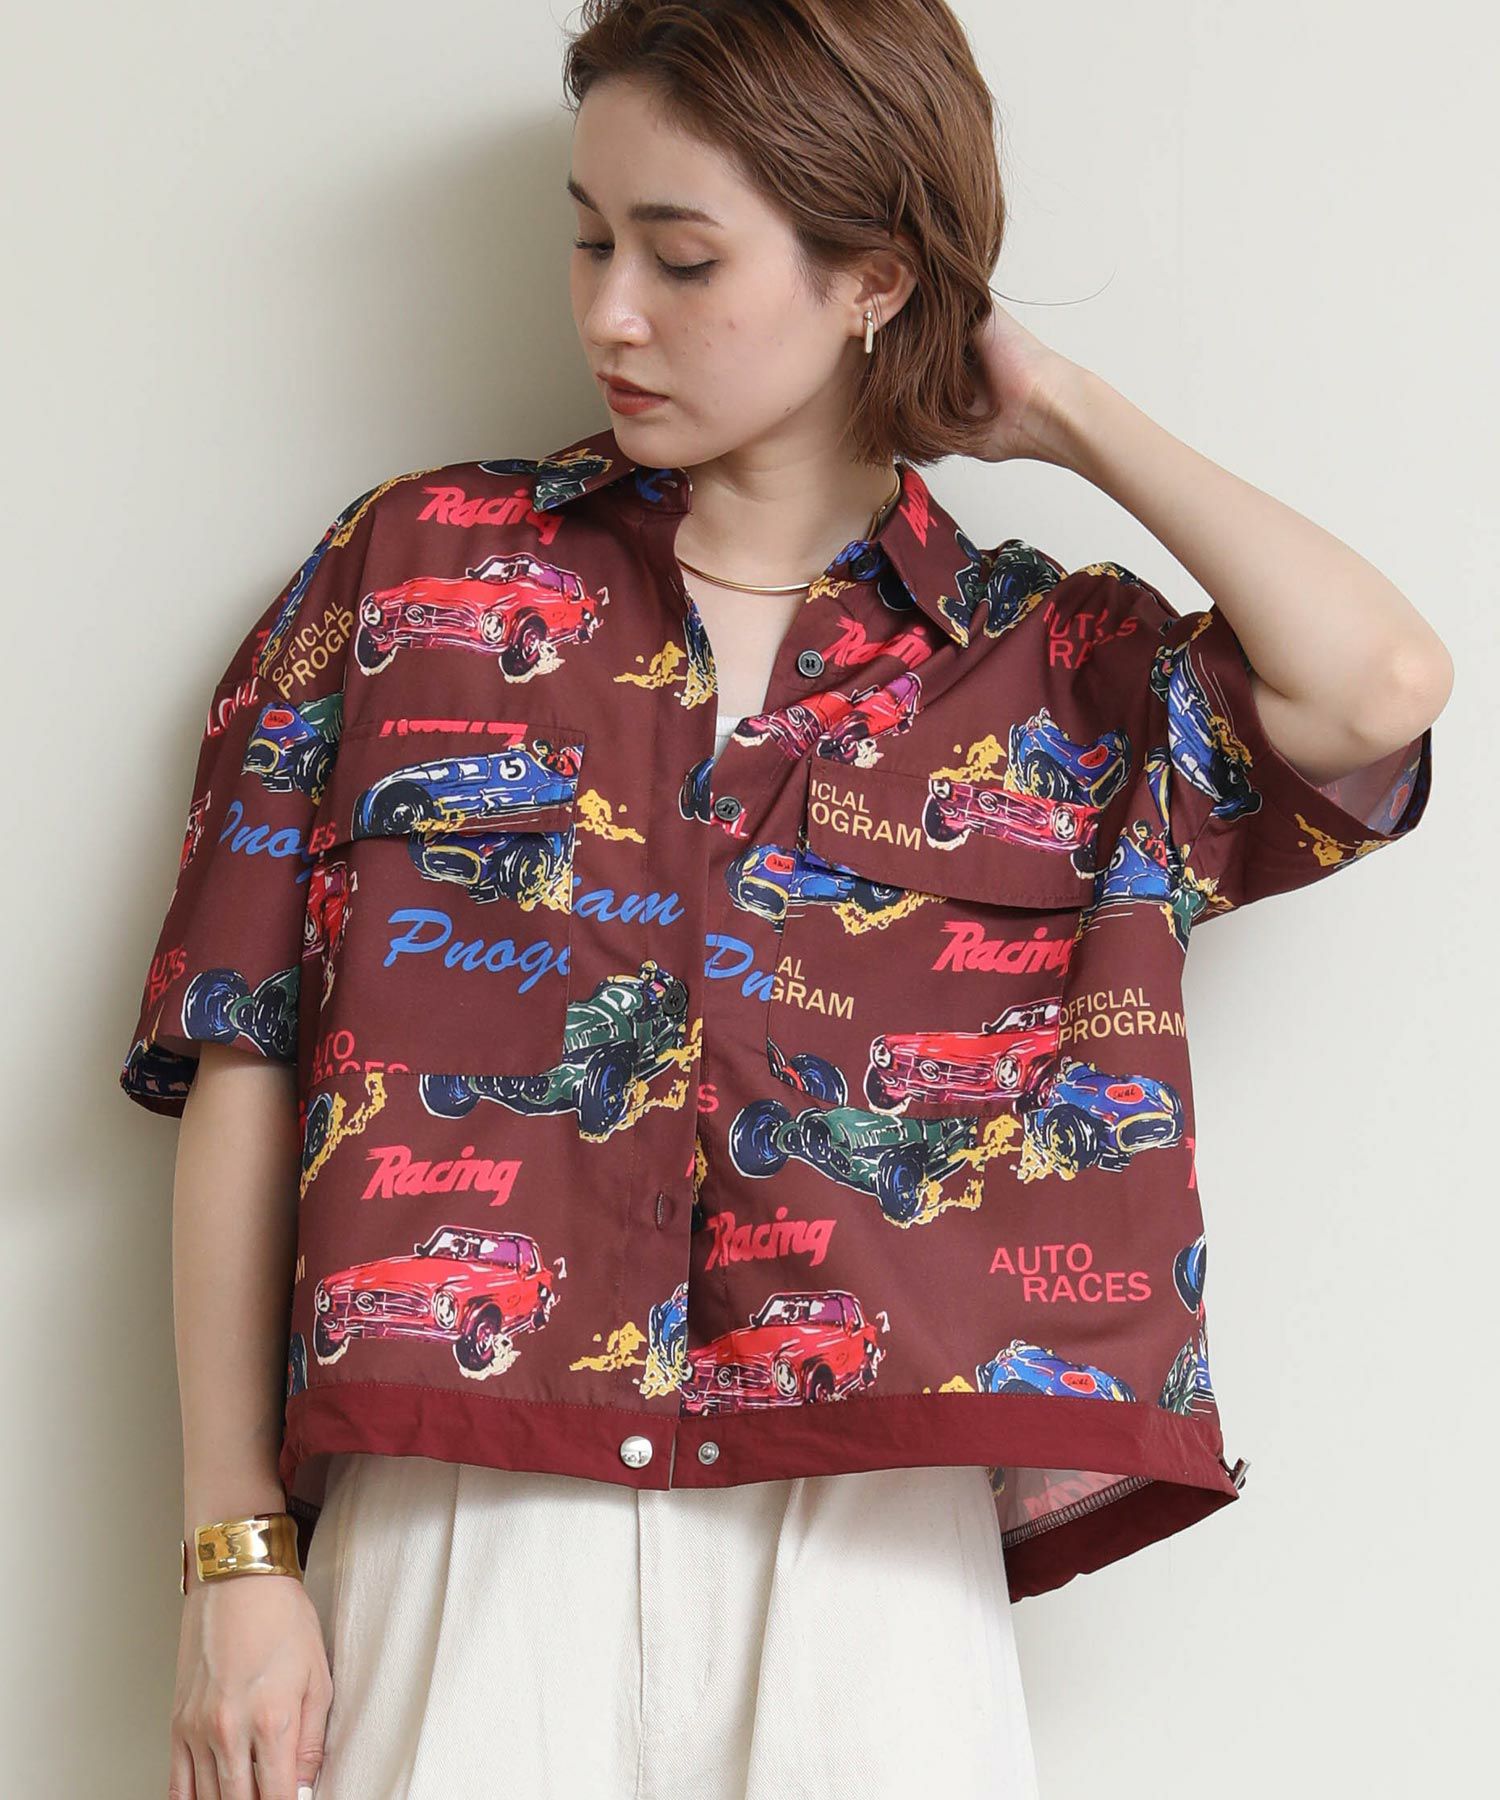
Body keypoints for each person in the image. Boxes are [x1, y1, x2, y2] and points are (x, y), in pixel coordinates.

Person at [120, 3, 1449, 1797]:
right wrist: (234, 1550)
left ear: (873, 278)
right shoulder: (410, 577)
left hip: (869, 1561)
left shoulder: (1050, 668)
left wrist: (1059, 408)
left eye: (682, 258)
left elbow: (1377, 687)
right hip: (466, 1527)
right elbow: (246, 1057)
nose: (610, 312)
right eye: (590, 239)